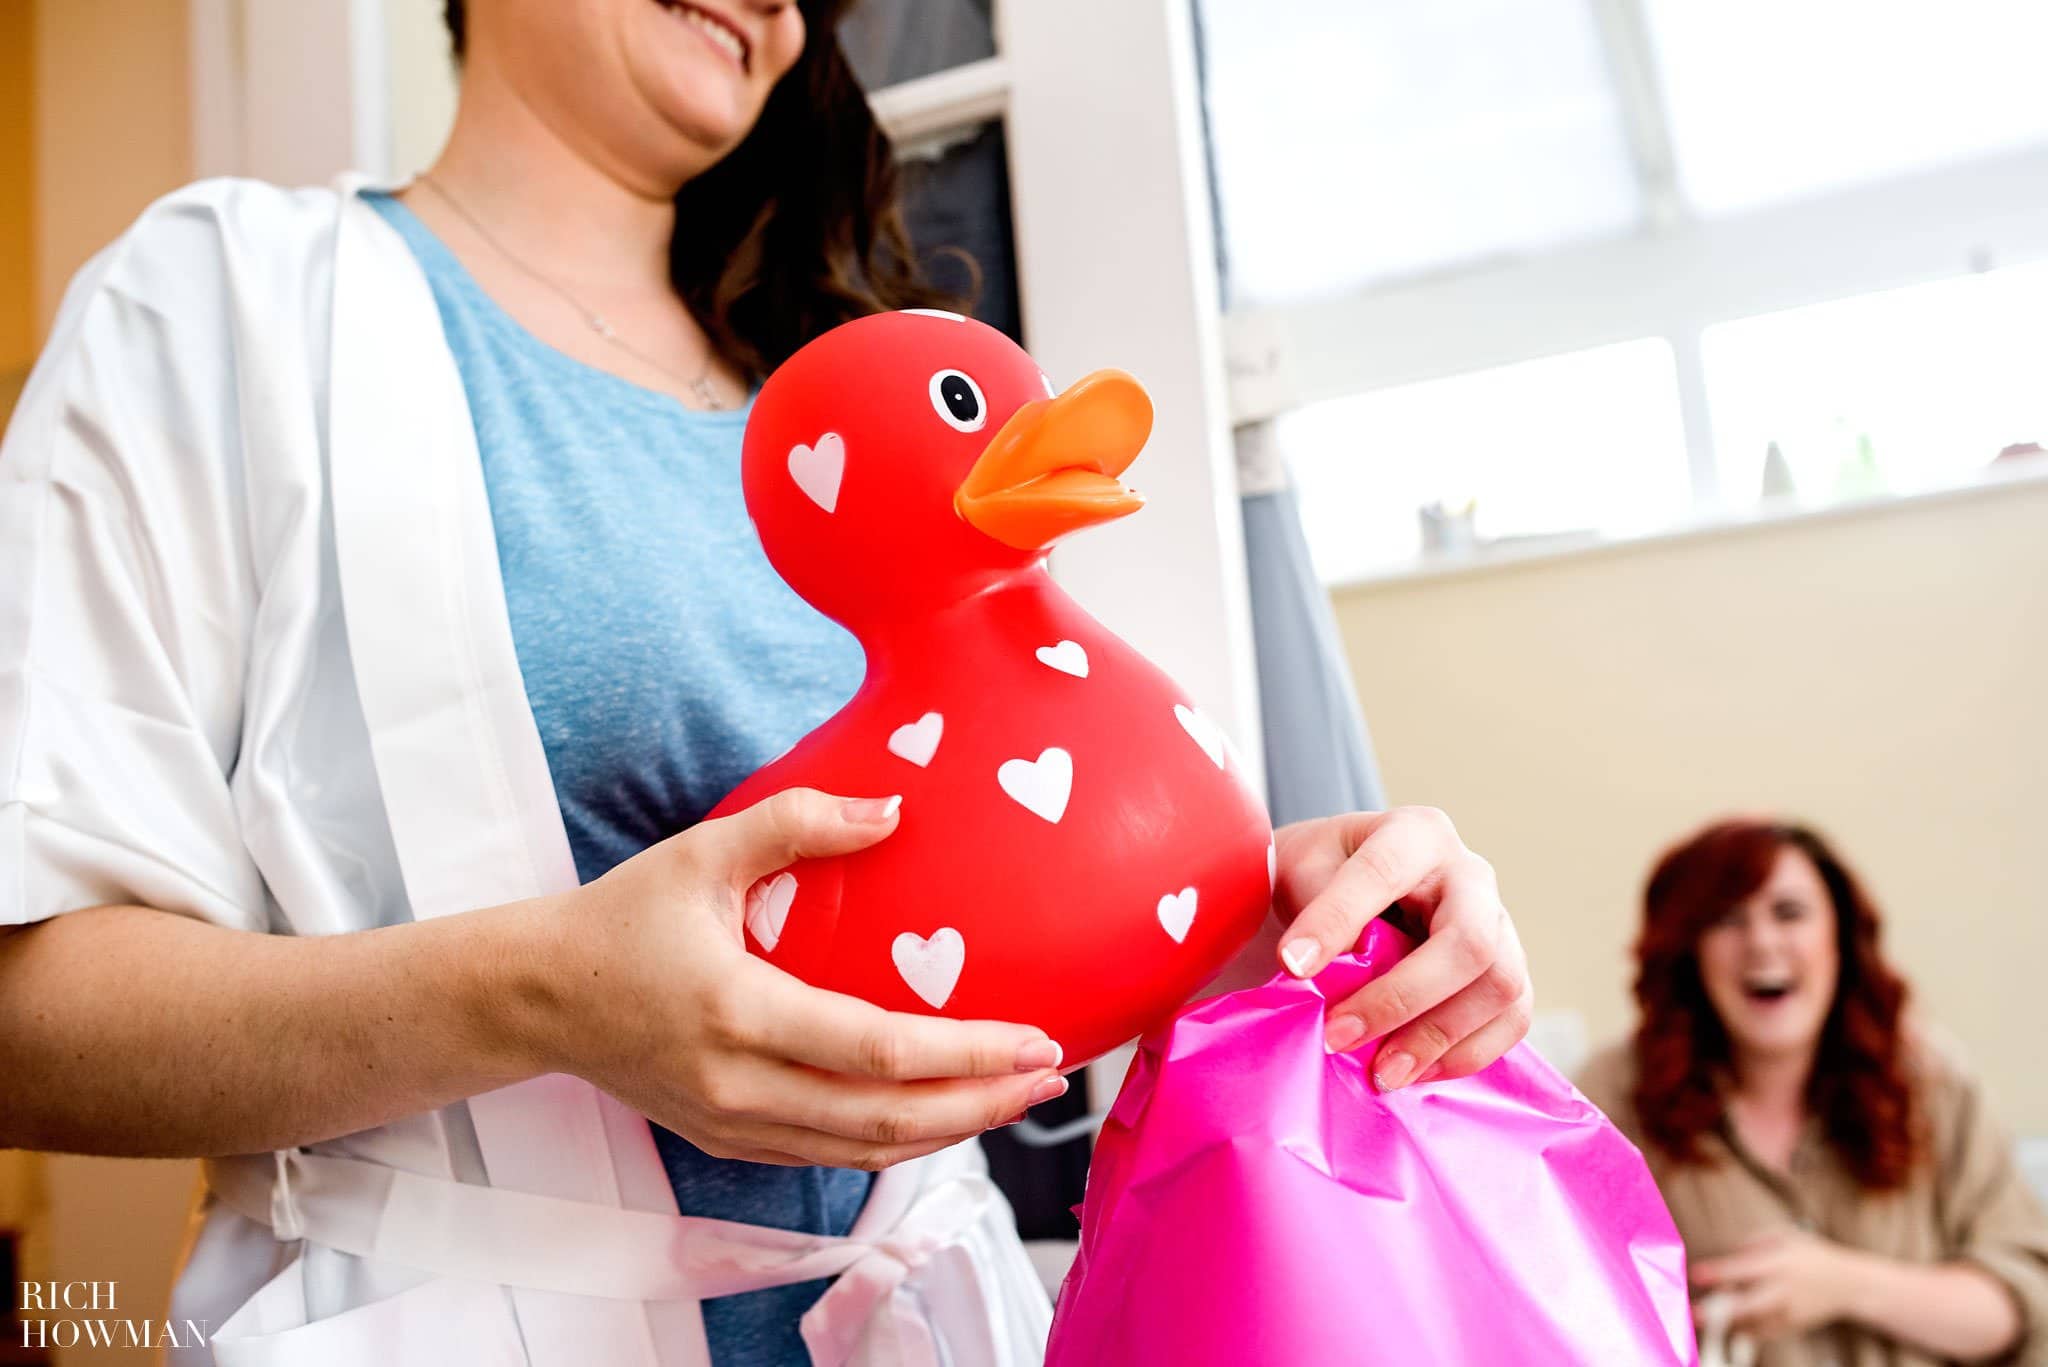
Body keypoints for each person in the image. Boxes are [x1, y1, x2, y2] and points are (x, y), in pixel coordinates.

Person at [0, 1, 1534, 1363]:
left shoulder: (859, 425)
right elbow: (23, 1017)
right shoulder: (228, 301)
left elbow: (990, 908)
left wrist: (1290, 923)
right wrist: (549, 989)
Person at [1579, 819, 2048, 1367]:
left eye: (1789, 912)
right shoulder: (1613, 1098)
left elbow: (2026, 1302)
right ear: (1690, 951)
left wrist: (1846, 1284)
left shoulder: (1933, 1085)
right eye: (1727, 919)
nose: (1761, 943)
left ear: (1840, 939)